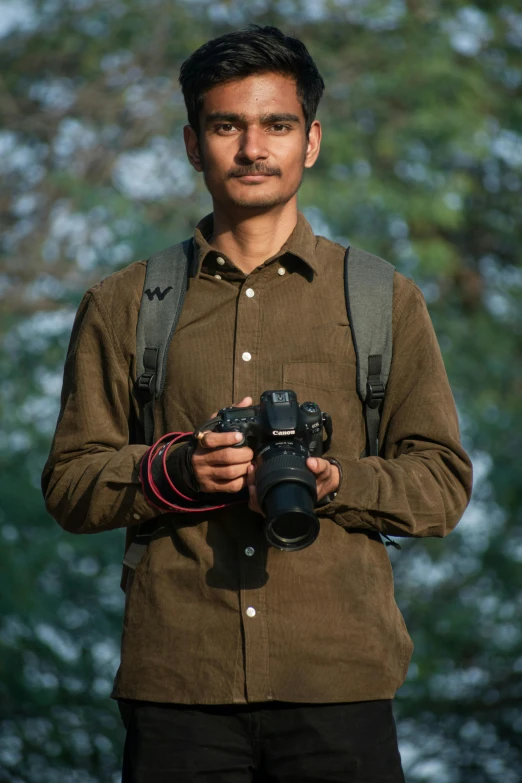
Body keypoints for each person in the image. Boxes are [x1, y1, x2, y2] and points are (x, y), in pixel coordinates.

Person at [42, 24, 473, 783]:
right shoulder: (124, 302)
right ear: (190, 143)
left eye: (276, 124)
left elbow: (442, 483)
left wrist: (336, 480)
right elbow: (70, 484)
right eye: (226, 125)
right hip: (179, 685)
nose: (252, 147)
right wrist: (175, 470)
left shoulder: (381, 298)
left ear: (310, 141)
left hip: (341, 684)